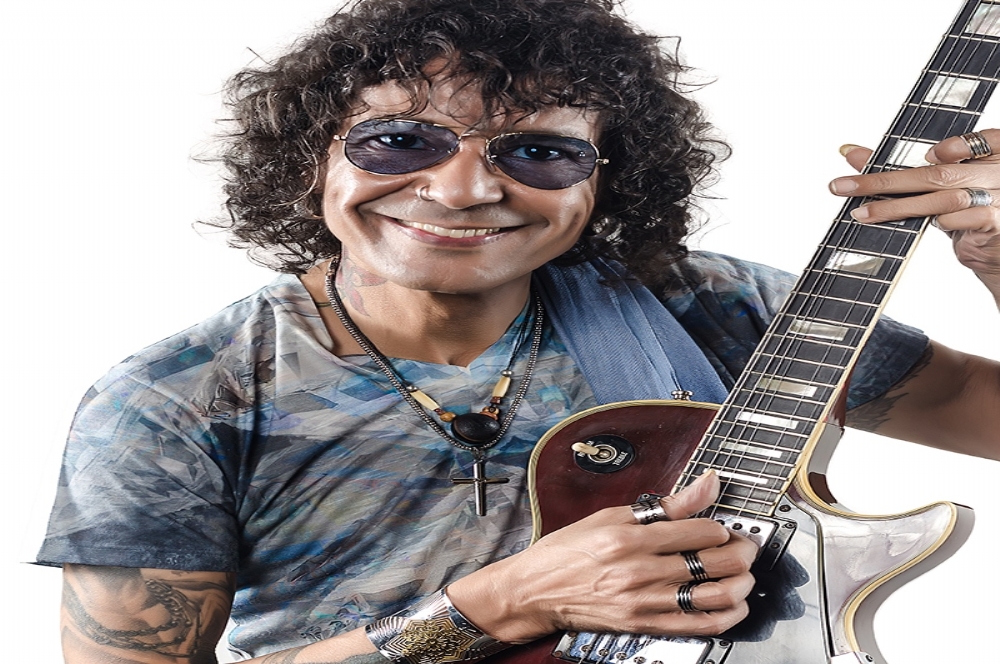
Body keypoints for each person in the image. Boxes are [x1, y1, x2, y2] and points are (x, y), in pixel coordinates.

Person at [36, 0, 1000, 662]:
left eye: (538, 151)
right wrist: (503, 602)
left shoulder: (710, 303)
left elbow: (979, 411)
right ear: (311, 160)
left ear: (605, 181)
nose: (462, 190)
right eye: (399, 140)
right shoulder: (179, 398)